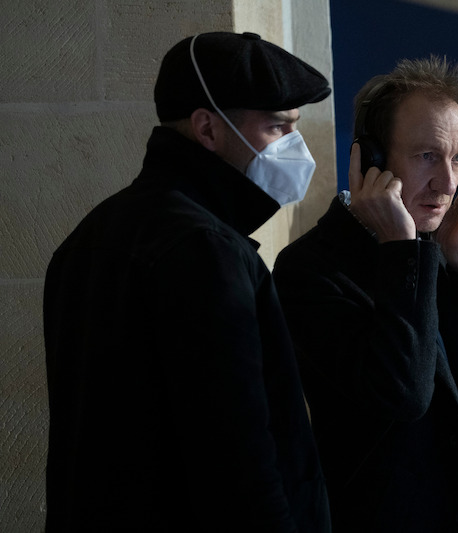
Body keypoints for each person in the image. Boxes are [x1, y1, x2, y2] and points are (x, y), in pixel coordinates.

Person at [43, 32, 332, 532]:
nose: (295, 148)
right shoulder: (206, 249)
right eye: (276, 127)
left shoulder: (91, 235)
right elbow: (237, 457)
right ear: (207, 128)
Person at [272, 56, 458, 532]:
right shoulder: (311, 267)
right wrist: (402, 252)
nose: (447, 184)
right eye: (427, 156)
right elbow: (403, 395)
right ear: (372, 160)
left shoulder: (453, 252)